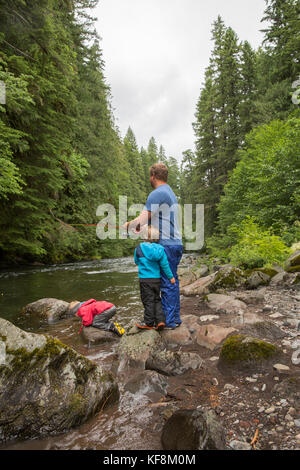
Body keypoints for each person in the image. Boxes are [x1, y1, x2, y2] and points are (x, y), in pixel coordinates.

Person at [124, 162, 183, 329]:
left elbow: (142, 220)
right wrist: (138, 227)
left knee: (166, 283)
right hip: (176, 244)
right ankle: (175, 318)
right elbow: (151, 221)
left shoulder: (157, 194)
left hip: (167, 245)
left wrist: (129, 224)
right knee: (173, 281)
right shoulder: (170, 192)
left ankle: (170, 322)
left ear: (153, 176)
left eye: (150, 176)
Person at [134, 225, 175, 330]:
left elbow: (136, 261)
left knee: (148, 300)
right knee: (157, 299)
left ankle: (148, 323)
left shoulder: (139, 248)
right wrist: (171, 277)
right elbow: (165, 265)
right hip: (156, 279)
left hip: (145, 280)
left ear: (144, 236)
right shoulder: (160, 249)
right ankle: (160, 321)